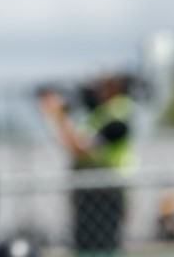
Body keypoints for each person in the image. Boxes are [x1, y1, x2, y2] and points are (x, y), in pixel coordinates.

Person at [38, 72, 136, 255]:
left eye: (104, 85)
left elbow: (81, 149)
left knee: (100, 246)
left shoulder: (118, 115)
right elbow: (74, 145)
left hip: (105, 190)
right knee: (89, 245)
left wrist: (59, 116)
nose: (97, 91)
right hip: (94, 190)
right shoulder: (101, 115)